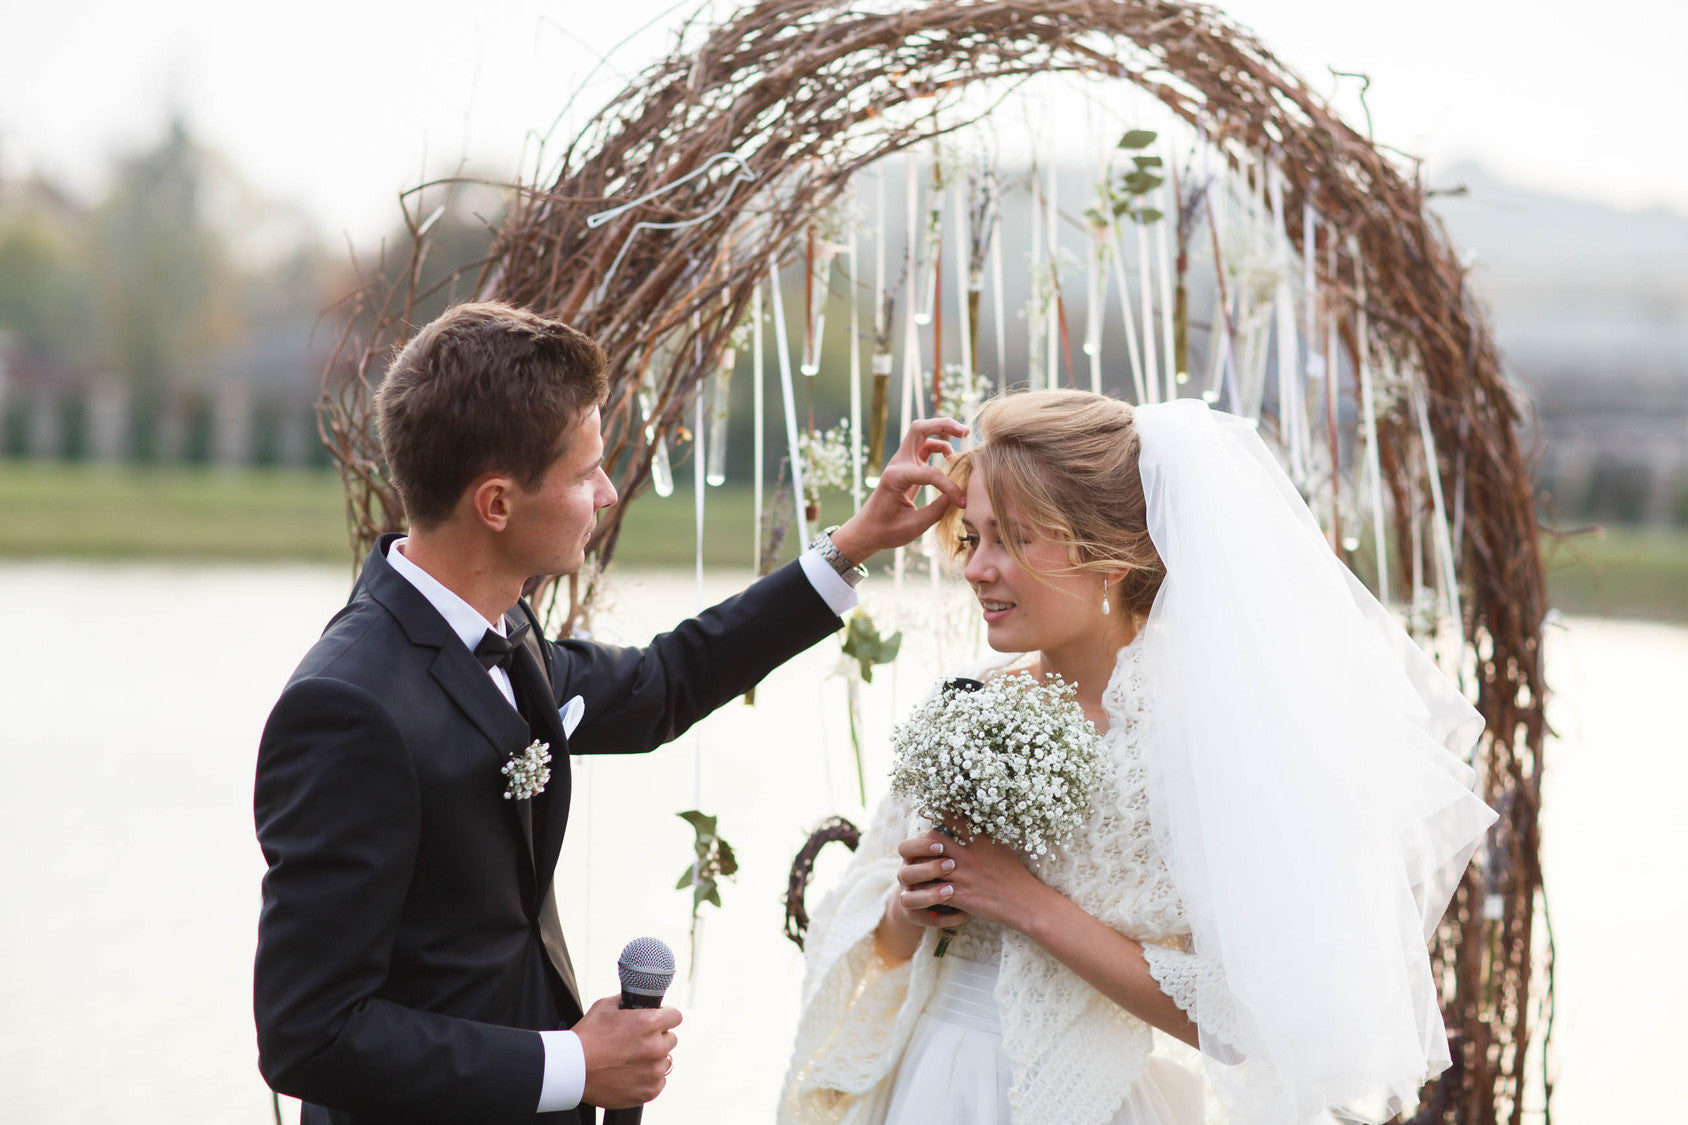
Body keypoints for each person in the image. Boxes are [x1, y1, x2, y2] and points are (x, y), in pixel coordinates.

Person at [253, 300, 967, 1125]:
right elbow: (310, 1033)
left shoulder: (501, 624)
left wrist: (854, 544)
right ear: (496, 503)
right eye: (586, 469)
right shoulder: (346, 709)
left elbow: (662, 682)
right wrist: (575, 1062)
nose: (606, 490)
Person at [781, 390, 1497, 1125]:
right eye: (973, 537)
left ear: (1110, 557)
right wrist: (909, 903)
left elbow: (1246, 1020)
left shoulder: (1199, 743)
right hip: (929, 1088)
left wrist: (1026, 903)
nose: (977, 568)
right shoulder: (963, 702)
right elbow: (870, 929)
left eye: (1015, 539)